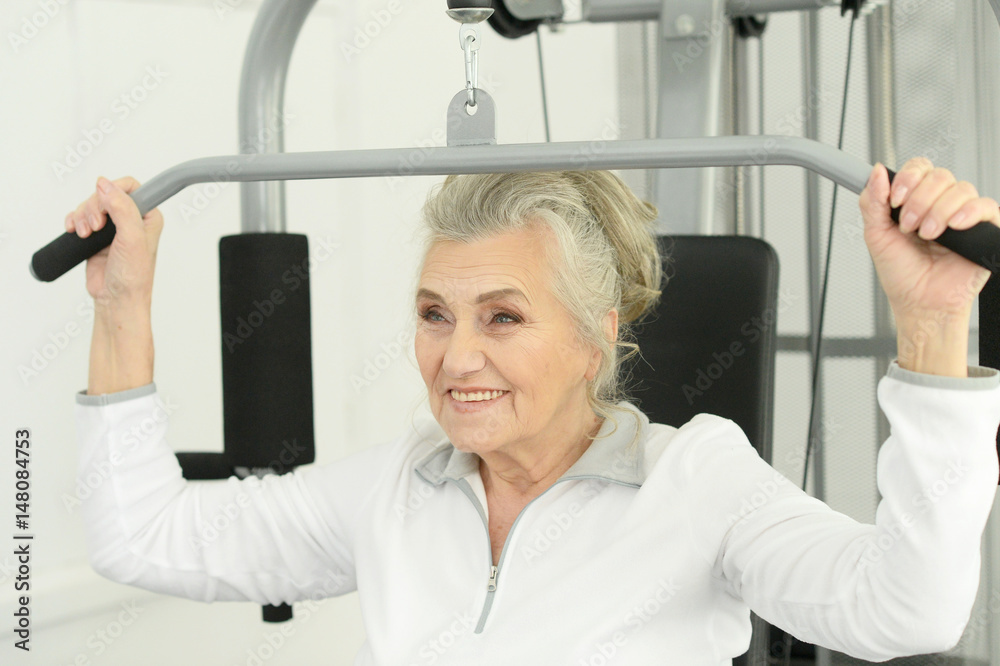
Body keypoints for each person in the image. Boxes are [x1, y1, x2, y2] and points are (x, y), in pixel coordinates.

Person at [68, 161, 1000, 664]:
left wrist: (931, 326)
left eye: (503, 317)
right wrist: (121, 307)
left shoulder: (697, 479)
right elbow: (144, 536)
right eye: (435, 314)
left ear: (597, 334)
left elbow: (908, 610)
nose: (455, 357)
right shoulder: (400, 483)